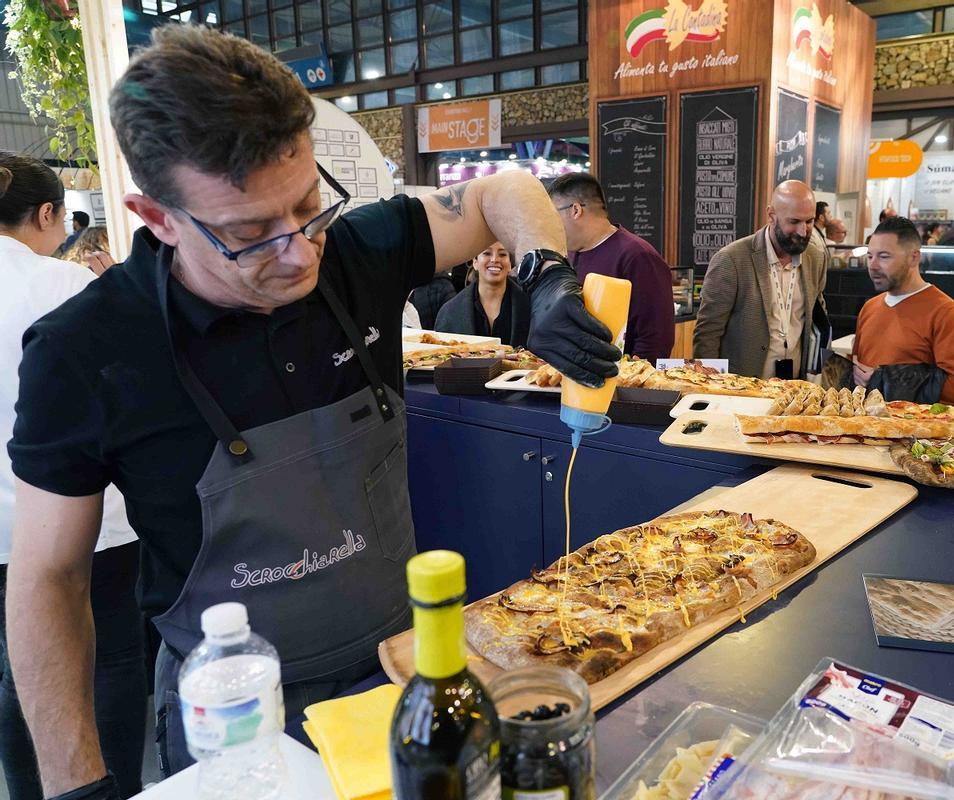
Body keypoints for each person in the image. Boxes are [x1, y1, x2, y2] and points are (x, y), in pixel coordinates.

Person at [6, 26, 620, 800]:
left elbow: (502, 189)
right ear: (155, 217)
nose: (298, 253)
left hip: (405, 671)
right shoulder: (85, 350)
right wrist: (74, 783)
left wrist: (548, 272)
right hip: (236, 722)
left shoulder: (358, 251)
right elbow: (48, 582)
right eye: (249, 235)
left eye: (307, 207)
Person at [0, 154, 145, 798]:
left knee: (15, 666)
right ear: (48, 215)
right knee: (111, 656)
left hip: (2, 532)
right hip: (82, 520)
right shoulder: (65, 287)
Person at [693, 180, 829, 379]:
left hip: (794, 390)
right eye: (794, 222)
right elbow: (707, 335)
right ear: (771, 216)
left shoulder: (815, 258)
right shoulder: (731, 260)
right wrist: (710, 389)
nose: (803, 231)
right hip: (743, 388)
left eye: (809, 222)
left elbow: (818, 317)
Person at [548, 173, 675, 363]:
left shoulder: (638, 256)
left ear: (575, 210)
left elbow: (655, 337)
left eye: (552, 215)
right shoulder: (569, 255)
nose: (550, 224)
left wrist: (631, 382)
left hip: (618, 381)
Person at [852, 216, 954, 403]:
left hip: (916, 424)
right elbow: (859, 367)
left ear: (914, 257)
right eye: (869, 256)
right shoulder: (870, 307)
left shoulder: (944, 310)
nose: (873, 266)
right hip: (866, 423)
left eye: (884, 256)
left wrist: (883, 379)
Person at [435, 242, 530, 347]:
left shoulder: (532, 307)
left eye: (502, 254)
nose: (494, 259)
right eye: (487, 253)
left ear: (510, 264)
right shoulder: (450, 312)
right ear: (475, 262)